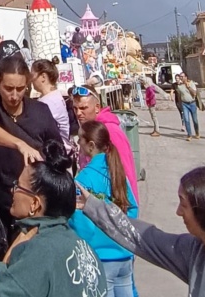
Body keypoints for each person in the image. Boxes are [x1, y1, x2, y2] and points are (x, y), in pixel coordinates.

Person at [77, 166, 205, 297]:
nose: (177, 212)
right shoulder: (198, 249)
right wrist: (93, 206)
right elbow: (144, 238)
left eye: (183, 204)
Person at [0, 141, 107, 297]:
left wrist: (4, 263)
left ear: (34, 204)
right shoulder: (84, 247)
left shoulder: (39, 252)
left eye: (17, 186)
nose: (12, 190)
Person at [0, 56, 63, 263]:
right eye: (8, 88)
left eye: (20, 89)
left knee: (28, 261)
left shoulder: (41, 112)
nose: (14, 95)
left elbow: (58, 150)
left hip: (31, 204)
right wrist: (20, 144)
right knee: (1, 256)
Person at [70, 121, 138, 297]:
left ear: (90, 145)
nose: (78, 144)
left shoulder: (83, 178)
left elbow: (81, 224)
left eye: (80, 140)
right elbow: (132, 209)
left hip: (101, 257)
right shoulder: (117, 171)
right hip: (124, 254)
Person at [72, 85, 139, 203]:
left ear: (97, 107)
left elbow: (124, 172)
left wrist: (126, 211)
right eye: (75, 108)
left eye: (83, 108)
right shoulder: (89, 129)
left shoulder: (110, 131)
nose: (78, 113)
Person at [31, 60, 76, 162]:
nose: (30, 79)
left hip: (57, 157)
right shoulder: (54, 96)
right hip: (61, 152)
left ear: (43, 77)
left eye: (32, 75)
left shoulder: (48, 102)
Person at [176, 73, 200, 140]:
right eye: (180, 77)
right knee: (186, 120)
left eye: (182, 76)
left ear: (186, 77)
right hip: (184, 104)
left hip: (192, 103)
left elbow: (194, 93)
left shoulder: (191, 83)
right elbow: (179, 96)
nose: (181, 78)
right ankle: (189, 135)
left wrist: (188, 87)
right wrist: (179, 104)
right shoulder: (179, 86)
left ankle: (197, 132)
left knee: (195, 120)